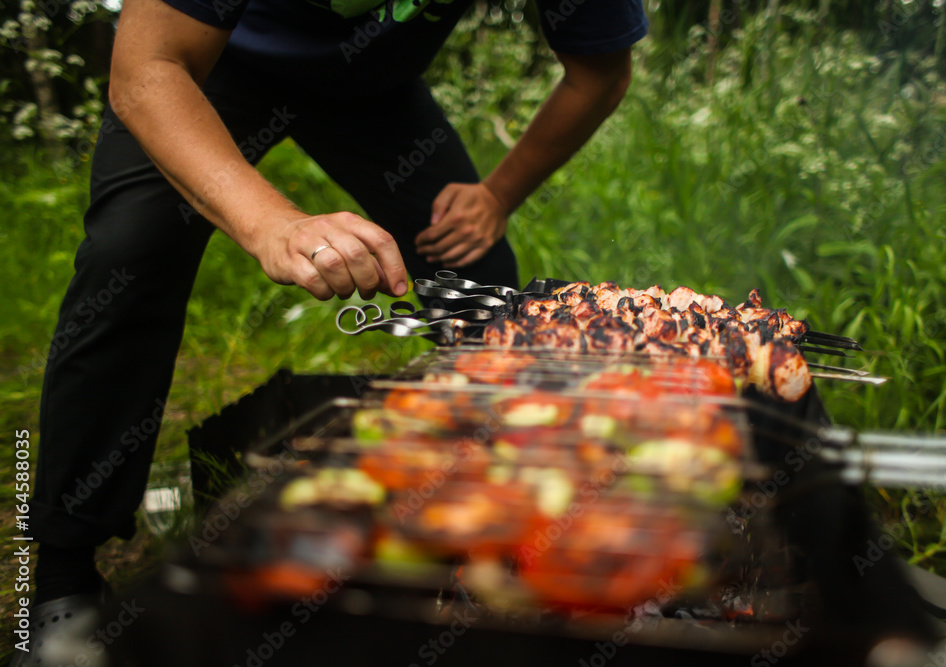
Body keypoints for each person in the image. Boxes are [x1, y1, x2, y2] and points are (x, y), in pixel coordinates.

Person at [17, 0, 646, 663]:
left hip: (373, 85)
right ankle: (62, 569)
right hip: (210, 66)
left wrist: (497, 194)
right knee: (129, 256)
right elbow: (146, 68)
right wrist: (271, 223)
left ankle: (499, 525)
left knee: (478, 279)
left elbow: (599, 72)